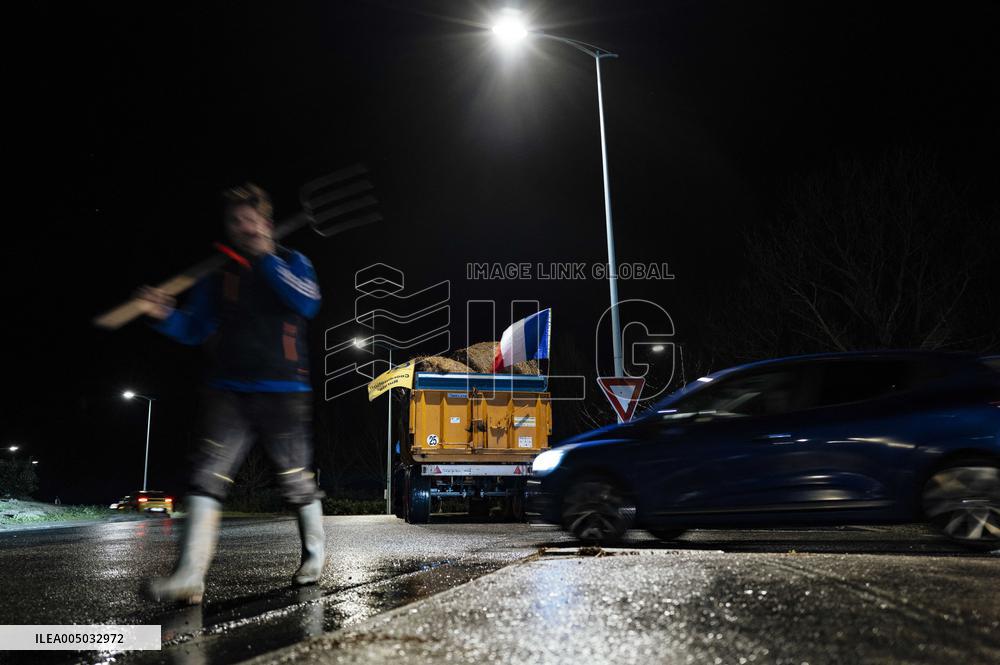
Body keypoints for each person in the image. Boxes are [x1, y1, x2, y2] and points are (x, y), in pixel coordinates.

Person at [137, 183, 326, 604]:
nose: (243, 226)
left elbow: (306, 303)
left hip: (285, 391)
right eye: (236, 221)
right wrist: (164, 315)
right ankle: (188, 577)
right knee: (206, 477)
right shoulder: (218, 275)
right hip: (228, 392)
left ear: (267, 223)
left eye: (250, 220)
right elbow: (196, 327)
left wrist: (264, 259)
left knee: (295, 480)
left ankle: (314, 557)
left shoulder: (293, 262)